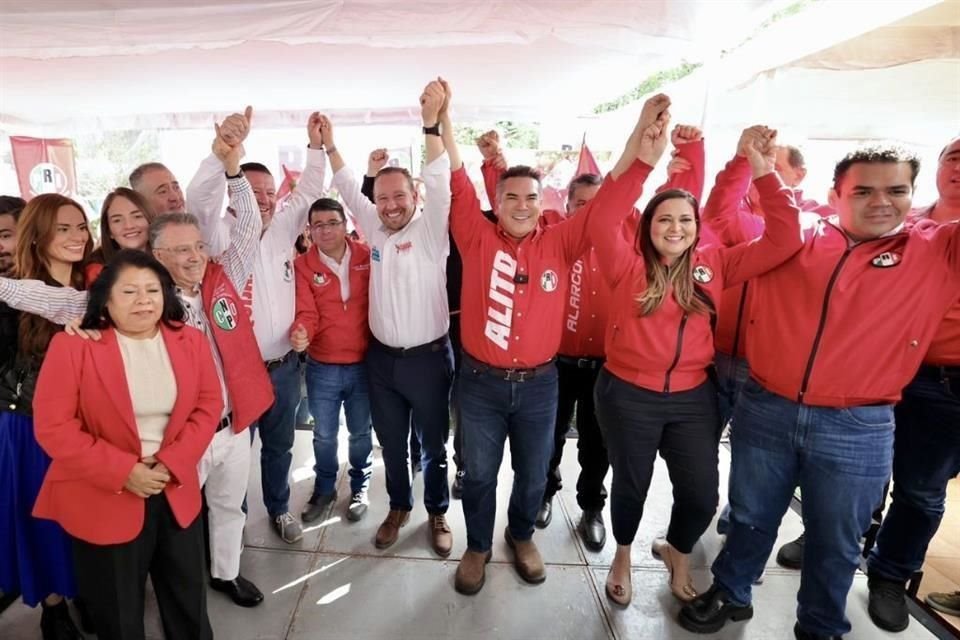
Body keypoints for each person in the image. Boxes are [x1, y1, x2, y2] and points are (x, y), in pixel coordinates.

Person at [678, 145, 960, 640]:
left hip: (859, 425)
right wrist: (755, 169)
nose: (881, 202)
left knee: (837, 539)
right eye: (863, 190)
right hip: (767, 406)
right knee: (747, 514)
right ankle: (731, 589)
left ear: (914, 194)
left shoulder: (937, 248)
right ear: (834, 195)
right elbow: (721, 229)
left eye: (896, 190)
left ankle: (821, 624)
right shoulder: (796, 238)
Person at [0, 120, 275, 609]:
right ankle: (168, 588)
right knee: (178, 524)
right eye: (179, 250)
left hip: (234, 424)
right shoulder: (141, 296)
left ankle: (226, 574)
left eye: (198, 247)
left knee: (229, 506)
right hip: (180, 435)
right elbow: (55, 301)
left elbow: (249, 227)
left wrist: (234, 169)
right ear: (155, 253)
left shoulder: (222, 274)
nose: (193, 257)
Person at [441, 87, 668, 595]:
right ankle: (477, 545)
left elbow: (609, 197)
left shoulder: (563, 239)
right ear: (495, 202)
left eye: (529, 197)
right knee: (477, 474)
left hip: (541, 385)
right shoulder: (474, 236)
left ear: (542, 203)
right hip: (479, 383)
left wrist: (640, 148)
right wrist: (442, 120)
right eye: (510, 197)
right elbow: (455, 180)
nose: (521, 206)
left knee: (532, 473)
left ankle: (520, 536)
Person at [592, 113, 803, 607]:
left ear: (697, 228)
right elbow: (603, 216)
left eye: (685, 219)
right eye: (664, 218)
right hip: (627, 393)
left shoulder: (717, 263)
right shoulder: (626, 263)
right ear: (648, 226)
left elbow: (785, 239)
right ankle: (622, 554)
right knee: (630, 485)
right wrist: (644, 163)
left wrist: (762, 171)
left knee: (701, 494)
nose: (675, 227)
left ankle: (677, 552)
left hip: (693, 396)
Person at [32, 249, 221, 640]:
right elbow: (53, 426)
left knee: (189, 605)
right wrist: (123, 471)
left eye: (152, 289)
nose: (144, 300)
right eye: (129, 291)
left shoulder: (190, 340)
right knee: (118, 616)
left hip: (174, 489)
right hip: (104, 495)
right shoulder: (74, 346)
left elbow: (208, 405)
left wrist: (174, 461)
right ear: (105, 299)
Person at [324, 80, 455, 557]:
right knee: (391, 442)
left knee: (435, 445)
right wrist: (331, 146)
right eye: (382, 198)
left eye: (399, 196)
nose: (391, 205)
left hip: (427, 360)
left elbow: (441, 177)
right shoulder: (375, 231)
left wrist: (432, 123)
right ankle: (398, 505)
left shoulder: (431, 230)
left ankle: (437, 509)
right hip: (381, 362)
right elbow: (345, 188)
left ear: (414, 194)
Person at [186, 108, 328, 544]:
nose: (265, 199)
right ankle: (235, 522)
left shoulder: (284, 230)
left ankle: (279, 508)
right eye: (253, 190)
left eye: (269, 191)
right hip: (233, 373)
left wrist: (316, 147)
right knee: (235, 453)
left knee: (281, 446)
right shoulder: (217, 234)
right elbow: (198, 200)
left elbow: (306, 194)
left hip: (283, 367)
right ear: (236, 193)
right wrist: (221, 155)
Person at [864, 136, 960, 633]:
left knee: (921, 492)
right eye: (954, 157)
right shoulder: (902, 223)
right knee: (858, 468)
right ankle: (840, 540)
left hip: (947, 386)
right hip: (885, 368)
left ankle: (889, 575)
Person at [0, 193, 92, 640]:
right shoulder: (12, 293)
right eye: (63, 228)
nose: (77, 237)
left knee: (86, 519)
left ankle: (86, 592)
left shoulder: (98, 284)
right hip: (29, 427)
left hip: (90, 428)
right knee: (43, 522)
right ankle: (54, 605)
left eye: (81, 226)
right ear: (37, 236)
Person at [290, 198, 373, 523]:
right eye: (318, 224)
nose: (325, 230)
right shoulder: (302, 266)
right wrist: (301, 332)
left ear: (346, 225)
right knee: (324, 433)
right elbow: (307, 312)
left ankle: (360, 485)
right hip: (322, 365)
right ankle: (325, 488)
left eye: (332, 222)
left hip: (365, 364)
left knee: (360, 432)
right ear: (309, 230)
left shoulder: (368, 256)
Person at [84, 187, 156, 284]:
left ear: (150, 220)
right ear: (109, 231)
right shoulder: (97, 270)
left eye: (137, 216)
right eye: (117, 220)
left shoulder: (170, 259)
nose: (129, 226)